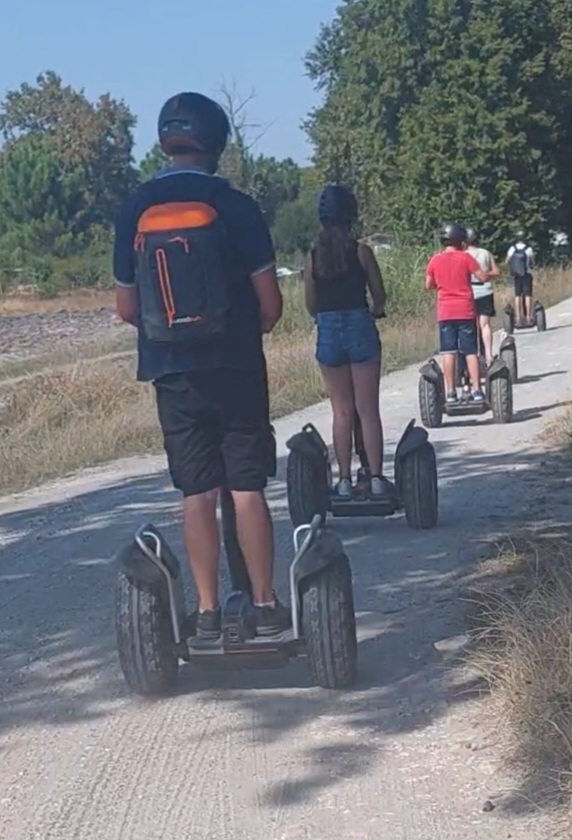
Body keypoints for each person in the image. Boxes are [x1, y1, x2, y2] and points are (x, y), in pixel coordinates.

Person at [113, 91, 290, 647]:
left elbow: (125, 307)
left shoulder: (135, 208)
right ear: (215, 142)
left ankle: (208, 612)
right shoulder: (236, 206)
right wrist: (246, 329)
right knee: (247, 488)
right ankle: (264, 604)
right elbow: (270, 305)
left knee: (197, 494)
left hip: (172, 374)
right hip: (236, 367)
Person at [302, 184, 387, 499]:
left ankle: (344, 481)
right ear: (351, 215)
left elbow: (311, 304)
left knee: (341, 411)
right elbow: (378, 294)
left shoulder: (313, 258)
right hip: (359, 326)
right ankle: (376, 478)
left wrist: (325, 316)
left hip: (328, 331)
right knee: (368, 410)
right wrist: (376, 311)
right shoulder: (361, 252)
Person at [426, 223, 491, 405]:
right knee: (470, 351)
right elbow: (483, 277)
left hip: (445, 312)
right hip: (465, 310)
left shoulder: (435, 260)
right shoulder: (466, 258)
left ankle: (451, 392)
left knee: (448, 351)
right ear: (460, 241)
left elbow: (428, 285)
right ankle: (477, 390)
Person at [465, 227, 501, 365]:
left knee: (471, 326)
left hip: (468, 292)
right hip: (485, 290)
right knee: (485, 325)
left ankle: (472, 357)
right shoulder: (485, 253)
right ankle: (488, 355)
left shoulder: (462, 255)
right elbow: (497, 271)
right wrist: (485, 275)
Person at [506, 230, 536, 326]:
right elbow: (533, 262)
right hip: (526, 274)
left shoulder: (512, 248)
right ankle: (529, 317)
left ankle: (518, 317)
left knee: (517, 295)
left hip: (516, 275)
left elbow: (507, 261)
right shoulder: (528, 249)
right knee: (528, 295)